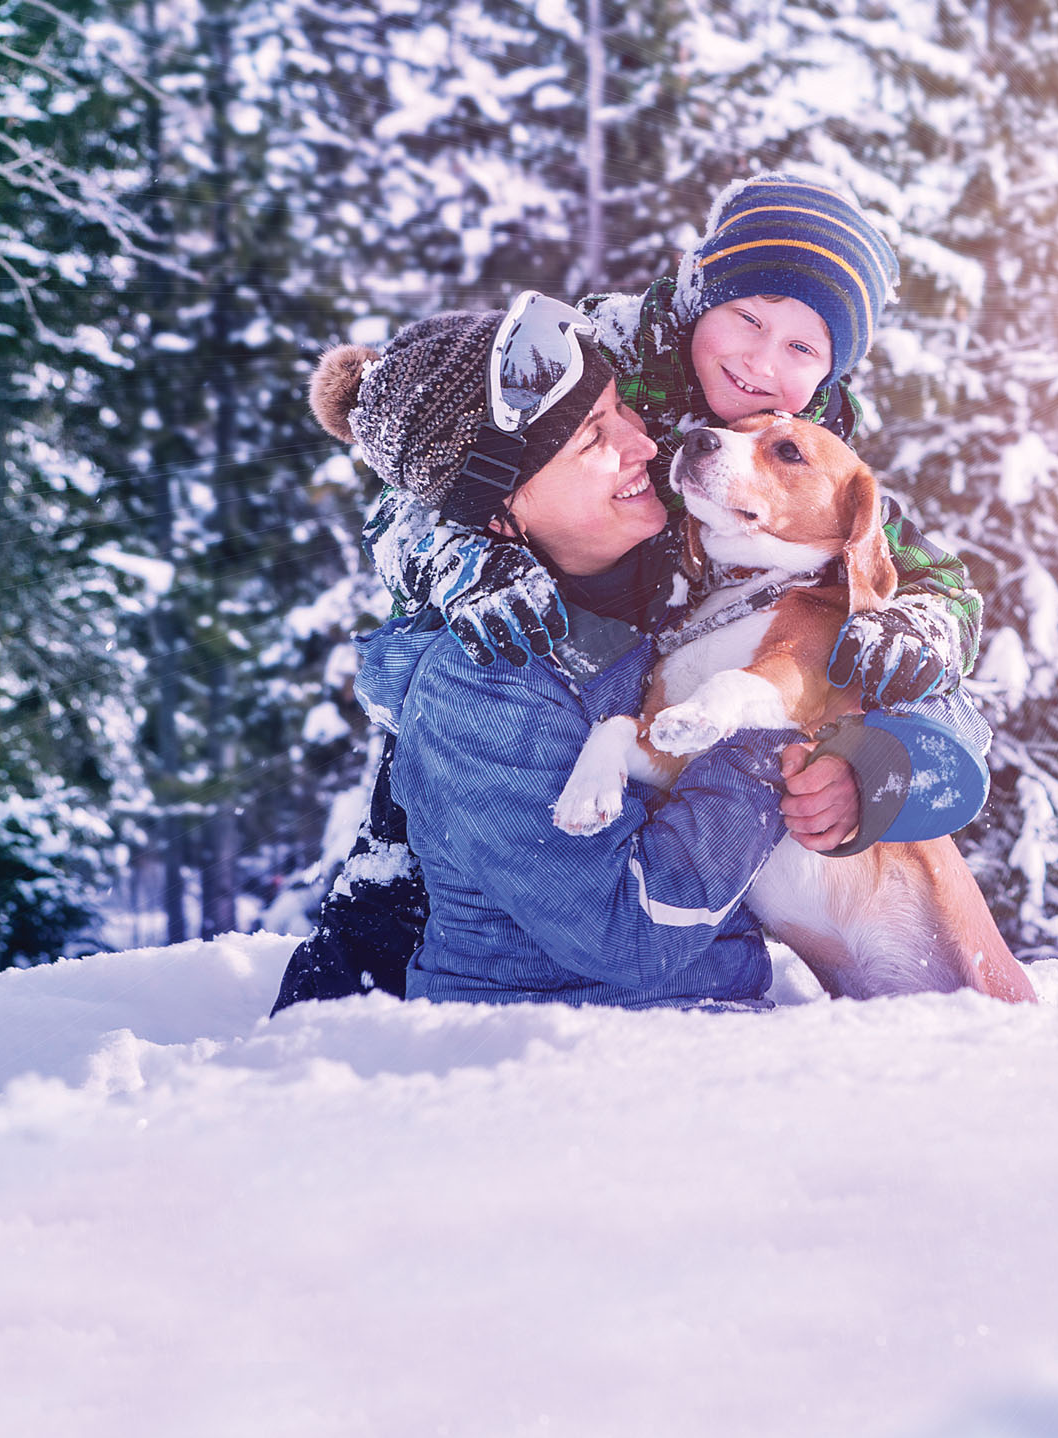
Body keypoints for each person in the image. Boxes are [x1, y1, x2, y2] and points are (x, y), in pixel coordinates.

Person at [272, 172, 989, 1009]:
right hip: (534, 643)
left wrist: (888, 726)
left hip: (652, 679)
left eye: (803, 348)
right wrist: (469, 565)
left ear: (831, 369)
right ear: (697, 292)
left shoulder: (807, 452)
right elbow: (424, 487)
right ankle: (342, 1000)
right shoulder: (595, 358)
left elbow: (907, 596)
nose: (762, 364)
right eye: (748, 320)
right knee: (427, 851)